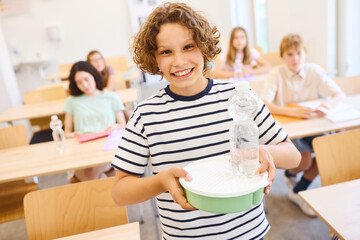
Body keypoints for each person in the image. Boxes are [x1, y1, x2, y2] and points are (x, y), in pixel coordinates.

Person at [111, 3, 300, 239]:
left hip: (249, 233)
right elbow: (120, 192)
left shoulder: (240, 97)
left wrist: (266, 151)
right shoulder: (146, 115)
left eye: (188, 47)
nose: (179, 61)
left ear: (203, 47)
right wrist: (160, 181)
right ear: (154, 58)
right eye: (166, 52)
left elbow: (293, 155)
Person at [261, 33, 346, 217]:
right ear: (282, 56)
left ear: (305, 54)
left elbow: (340, 94)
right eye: (290, 54)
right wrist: (290, 111)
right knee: (305, 160)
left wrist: (327, 105)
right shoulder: (276, 74)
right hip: (290, 129)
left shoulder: (314, 71)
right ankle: (291, 175)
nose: (295, 58)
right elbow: (264, 102)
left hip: (313, 125)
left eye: (299, 53)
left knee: (328, 154)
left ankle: (299, 189)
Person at [64, 61, 127, 181]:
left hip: (107, 146)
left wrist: (115, 126)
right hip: (83, 149)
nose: (85, 85)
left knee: (91, 172)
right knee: (96, 175)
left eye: (87, 79)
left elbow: (122, 125)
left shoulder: (111, 97)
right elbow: (66, 132)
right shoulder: (72, 101)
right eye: (79, 82)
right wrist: (72, 134)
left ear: (93, 75)